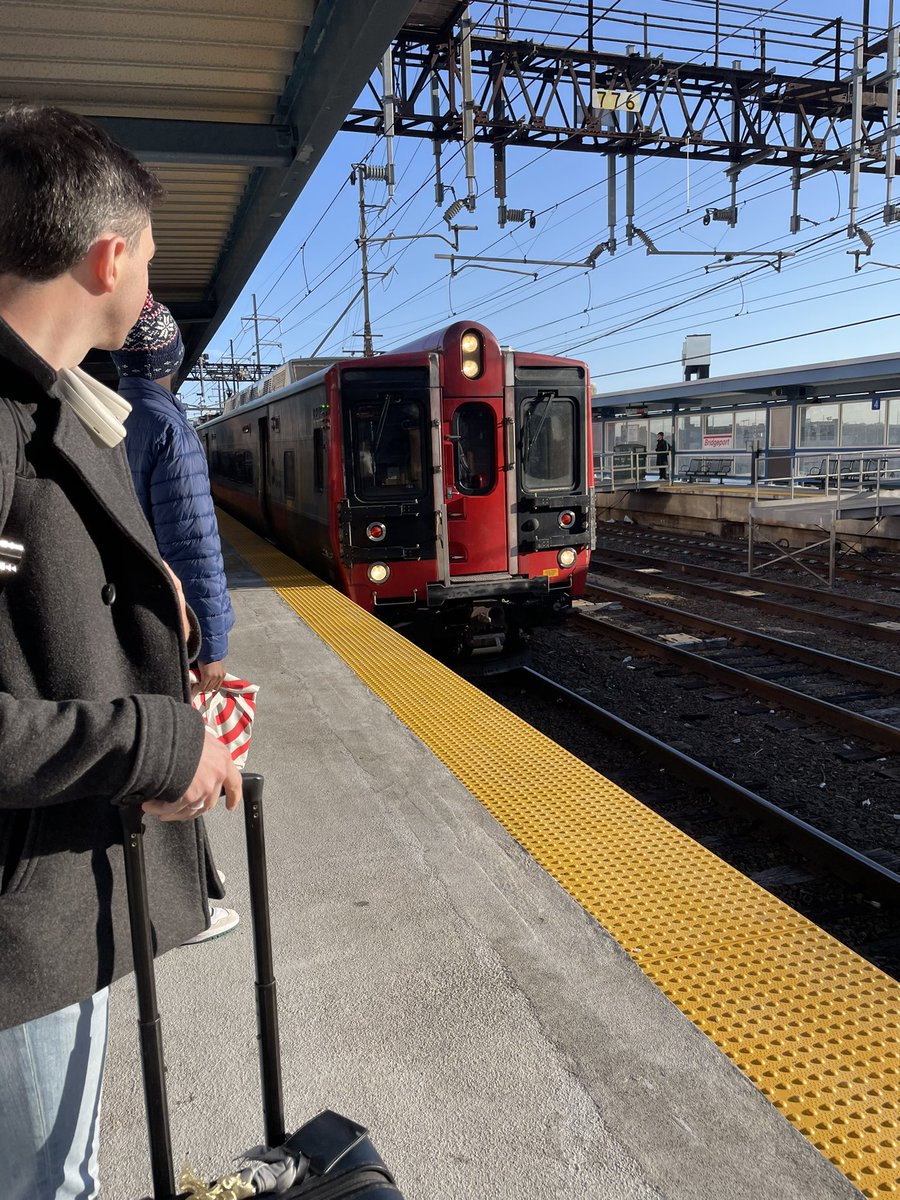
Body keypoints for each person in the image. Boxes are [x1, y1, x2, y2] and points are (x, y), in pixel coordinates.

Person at [0, 103, 242, 1199]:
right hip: (18, 926)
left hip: (57, 880)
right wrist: (157, 744)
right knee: (49, 1183)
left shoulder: (43, 402)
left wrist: (173, 667)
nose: (151, 287)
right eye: (148, 260)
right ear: (108, 257)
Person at [111, 292, 239, 943]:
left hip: (112, 618)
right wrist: (211, 644)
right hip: (166, 627)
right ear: (170, 358)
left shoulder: (104, 414)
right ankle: (183, 909)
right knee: (179, 760)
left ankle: (167, 899)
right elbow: (193, 543)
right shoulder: (167, 426)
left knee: (143, 754)